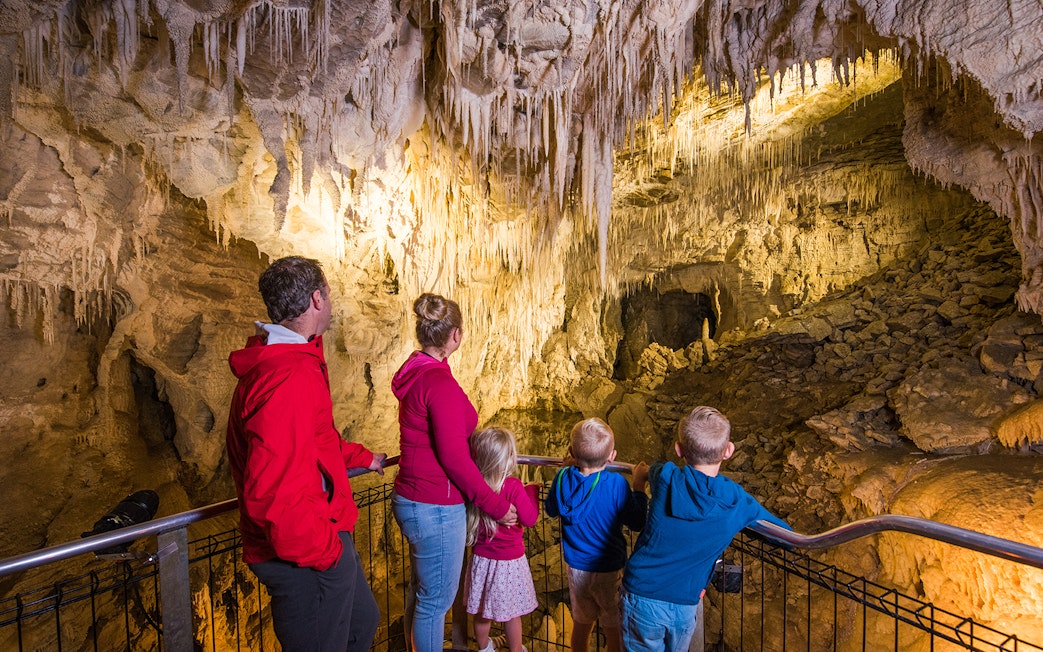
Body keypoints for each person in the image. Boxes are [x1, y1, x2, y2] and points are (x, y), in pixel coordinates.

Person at [226, 256, 387, 652]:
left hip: (321, 533)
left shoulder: (295, 361)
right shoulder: (287, 377)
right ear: (317, 298)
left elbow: (312, 440)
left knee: (361, 624)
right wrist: (327, 554)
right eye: (329, 293)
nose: (330, 302)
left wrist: (359, 457)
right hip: (306, 553)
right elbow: (274, 488)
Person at [391, 293, 518, 652]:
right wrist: (493, 503)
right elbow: (455, 459)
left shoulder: (417, 372)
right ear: (455, 336)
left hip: (414, 497)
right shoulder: (439, 385)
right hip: (435, 503)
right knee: (437, 602)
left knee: (423, 592)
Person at [620, 406, 791, 652]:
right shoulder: (736, 501)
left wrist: (641, 476)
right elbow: (784, 534)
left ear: (679, 450)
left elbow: (653, 469)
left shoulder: (666, 475)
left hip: (642, 595)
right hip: (684, 603)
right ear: (728, 451)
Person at [544, 418, 649, 652]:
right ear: (612, 456)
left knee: (582, 623)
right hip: (609, 569)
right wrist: (639, 487)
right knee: (614, 627)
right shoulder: (616, 484)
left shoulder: (562, 478)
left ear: (571, 452)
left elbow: (551, 509)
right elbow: (636, 521)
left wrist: (569, 467)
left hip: (577, 568)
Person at [463, 427, 540, 652]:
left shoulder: (475, 486)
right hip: (510, 562)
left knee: (482, 611)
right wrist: (532, 493)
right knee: (512, 613)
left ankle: (485, 648)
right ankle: (516, 650)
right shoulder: (514, 487)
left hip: (482, 560)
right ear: (507, 458)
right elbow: (530, 518)